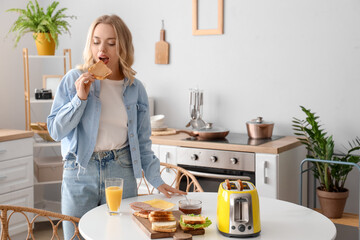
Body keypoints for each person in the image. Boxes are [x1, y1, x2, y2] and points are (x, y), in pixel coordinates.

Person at [47, 14, 185, 240]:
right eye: (96, 41)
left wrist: (157, 180)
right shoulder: (75, 79)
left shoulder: (135, 88)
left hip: (121, 171)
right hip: (80, 171)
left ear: (123, 47)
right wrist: (79, 99)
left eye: (111, 43)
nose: (102, 48)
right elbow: (55, 130)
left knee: (122, 235)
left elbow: (142, 143)